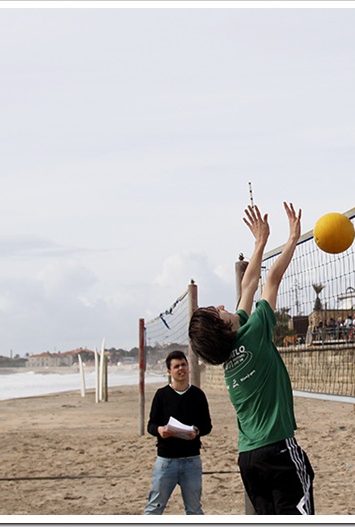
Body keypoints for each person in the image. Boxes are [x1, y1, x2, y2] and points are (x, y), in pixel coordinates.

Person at [188, 202, 314, 515]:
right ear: (222, 325)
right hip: (278, 450)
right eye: (216, 311)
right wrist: (293, 238)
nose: (221, 305)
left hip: (249, 458)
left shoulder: (232, 348)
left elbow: (249, 284)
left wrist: (259, 242)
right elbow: (269, 280)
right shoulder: (255, 331)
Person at [144, 350, 213, 515]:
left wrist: (196, 431)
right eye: (176, 366)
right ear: (169, 371)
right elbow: (151, 425)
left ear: (189, 367)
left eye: (183, 365)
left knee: (194, 510)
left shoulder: (198, 395)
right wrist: (161, 430)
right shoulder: (162, 395)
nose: (181, 369)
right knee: (154, 507)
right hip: (167, 460)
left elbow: (207, 425)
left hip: (191, 461)